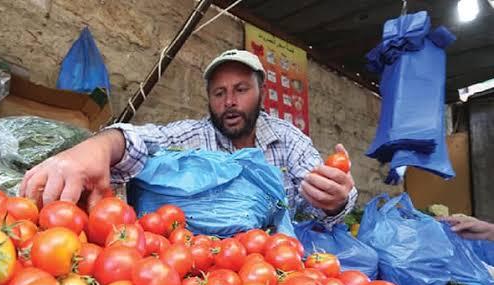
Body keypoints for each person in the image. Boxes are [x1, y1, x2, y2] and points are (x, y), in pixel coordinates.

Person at [21, 49, 357, 226]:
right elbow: (140, 139)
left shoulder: (288, 140)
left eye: (241, 90)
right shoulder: (194, 134)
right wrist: (97, 147)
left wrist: (336, 199)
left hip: (273, 267)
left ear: (261, 92)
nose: (229, 102)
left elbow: (324, 205)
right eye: (219, 93)